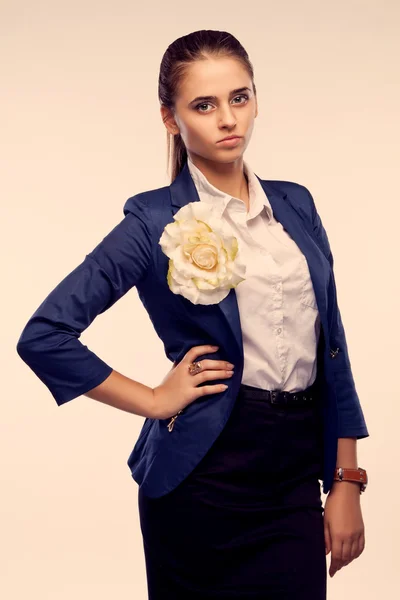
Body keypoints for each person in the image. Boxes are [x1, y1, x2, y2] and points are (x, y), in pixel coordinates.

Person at [16, 29, 369, 600]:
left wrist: (347, 479)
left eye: (240, 97)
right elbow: (45, 335)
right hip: (202, 477)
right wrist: (154, 400)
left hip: (293, 474)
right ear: (170, 117)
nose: (228, 119)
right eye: (203, 105)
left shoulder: (297, 203)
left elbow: (334, 348)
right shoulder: (153, 222)